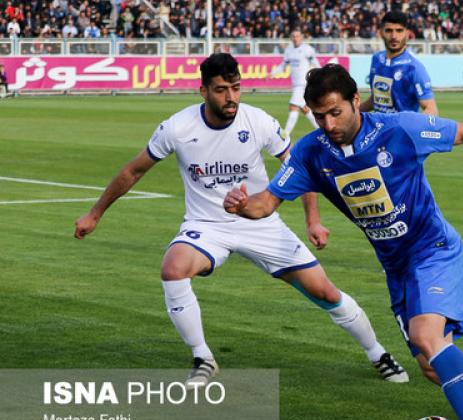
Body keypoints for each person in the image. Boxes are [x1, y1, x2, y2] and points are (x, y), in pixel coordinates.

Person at [224, 64, 463, 420]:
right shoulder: (311, 152)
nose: (329, 124)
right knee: (434, 366)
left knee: (427, 337)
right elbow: (267, 202)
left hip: (434, 250)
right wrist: (242, 205)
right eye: (319, 115)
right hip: (397, 267)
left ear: (353, 102)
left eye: (336, 112)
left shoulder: (398, 129)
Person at [74, 53, 408, 386]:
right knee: (173, 269)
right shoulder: (177, 128)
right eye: (221, 90)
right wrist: (94, 213)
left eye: (235, 87)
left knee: (325, 292)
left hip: (261, 223)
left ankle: (378, 353)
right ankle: (202, 357)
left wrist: (313, 221)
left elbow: (301, 167)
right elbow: (134, 170)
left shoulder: (258, 121)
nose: (231, 97)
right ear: (203, 90)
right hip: (207, 227)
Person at [360, 11, 438, 116]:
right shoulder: (376, 59)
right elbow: (377, 98)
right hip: (379, 129)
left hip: (400, 132)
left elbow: (431, 109)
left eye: (399, 31)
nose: (394, 36)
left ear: (407, 33)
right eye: (389, 30)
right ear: (381, 32)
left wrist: (410, 127)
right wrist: (354, 111)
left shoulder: (414, 68)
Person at [273, 29, 320, 137]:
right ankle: (322, 128)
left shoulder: (307, 49)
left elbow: (315, 62)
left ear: (301, 37)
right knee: (305, 108)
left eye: (297, 36)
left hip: (303, 83)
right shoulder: (289, 50)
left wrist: (322, 73)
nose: (295, 38)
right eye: (293, 36)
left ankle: (285, 134)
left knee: (293, 105)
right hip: (295, 84)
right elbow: (283, 65)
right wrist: (273, 73)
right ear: (291, 38)